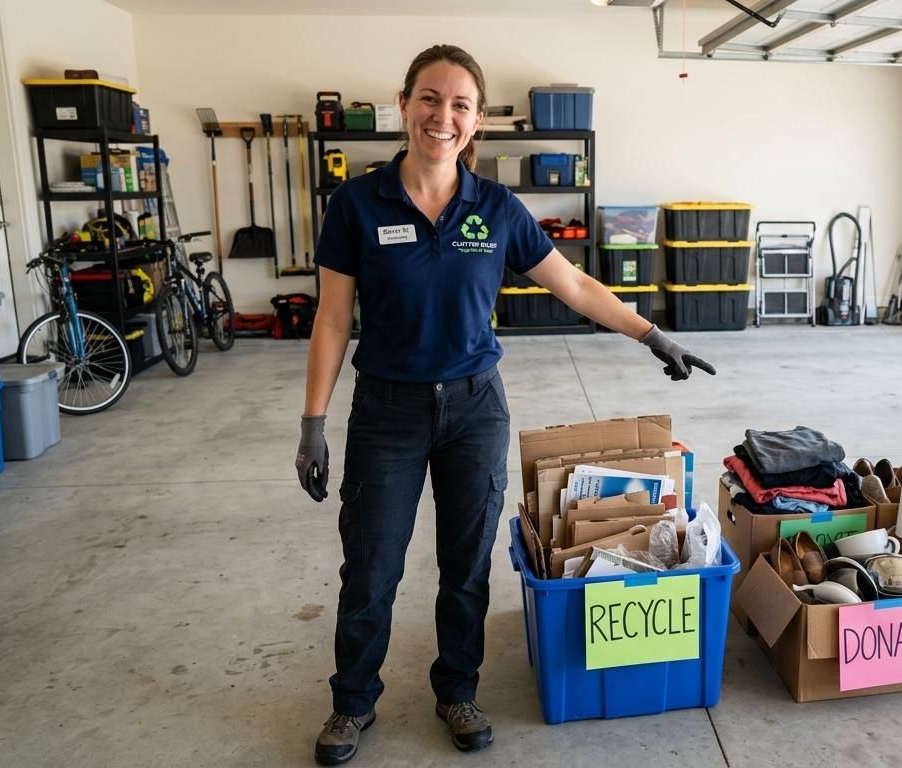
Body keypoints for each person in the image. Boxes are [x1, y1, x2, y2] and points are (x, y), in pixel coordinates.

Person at [295, 44, 714, 765]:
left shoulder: (496, 208)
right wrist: (312, 422)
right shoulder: (357, 205)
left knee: (466, 564)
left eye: (459, 105)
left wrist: (650, 334)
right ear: (405, 105)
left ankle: (457, 690)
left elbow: (573, 285)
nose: (443, 116)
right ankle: (352, 701)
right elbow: (332, 319)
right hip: (388, 411)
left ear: (477, 120)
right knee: (371, 564)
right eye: (430, 99)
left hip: (474, 408)